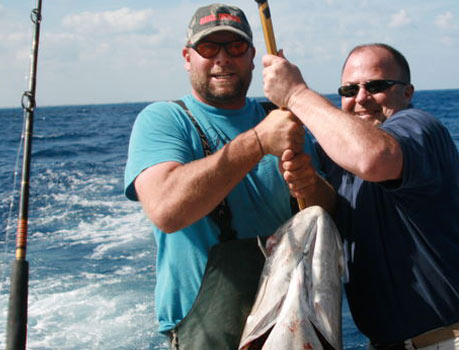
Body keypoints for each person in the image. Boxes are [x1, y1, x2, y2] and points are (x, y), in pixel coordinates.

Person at [262, 43, 459, 349]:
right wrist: (310, 184)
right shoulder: (339, 152)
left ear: (407, 93)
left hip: (448, 342)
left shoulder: (421, 129)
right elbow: (342, 212)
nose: (361, 98)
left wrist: (296, 93)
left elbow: (374, 158)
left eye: (376, 86)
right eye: (349, 89)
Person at [123, 4, 331, 349]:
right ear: (187, 57)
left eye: (234, 48)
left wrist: (312, 184)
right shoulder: (163, 120)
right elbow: (166, 210)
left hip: (292, 322)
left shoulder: (285, 120)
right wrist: (259, 142)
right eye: (208, 48)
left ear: (253, 56)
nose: (222, 58)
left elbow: (327, 215)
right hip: (207, 334)